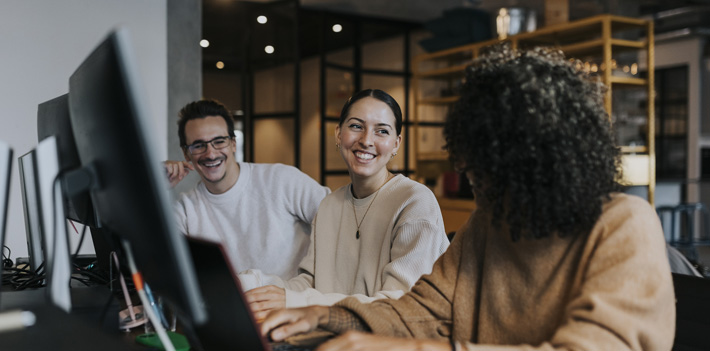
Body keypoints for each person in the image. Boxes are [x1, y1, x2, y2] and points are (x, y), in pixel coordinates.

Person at [258, 46, 676, 351]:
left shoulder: (624, 224)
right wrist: (325, 316)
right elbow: (423, 309)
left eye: (491, 168)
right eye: (474, 163)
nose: (474, 179)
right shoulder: (487, 224)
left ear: (547, 158)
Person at [239, 89, 450, 321]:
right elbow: (312, 282)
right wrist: (257, 286)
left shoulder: (415, 201)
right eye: (356, 126)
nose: (367, 140)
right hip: (336, 332)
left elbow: (398, 307)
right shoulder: (330, 204)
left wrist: (294, 301)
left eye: (382, 131)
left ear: (396, 144)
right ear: (338, 134)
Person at [165, 99, 330, 280]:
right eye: (198, 145)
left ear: (233, 143)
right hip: (233, 306)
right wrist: (157, 188)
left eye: (219, 141)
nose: (210, 153)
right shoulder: (185, 211)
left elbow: (339, 220)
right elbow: (159, 262)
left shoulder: (281, 179)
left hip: (297, 301)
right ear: (186, 153)